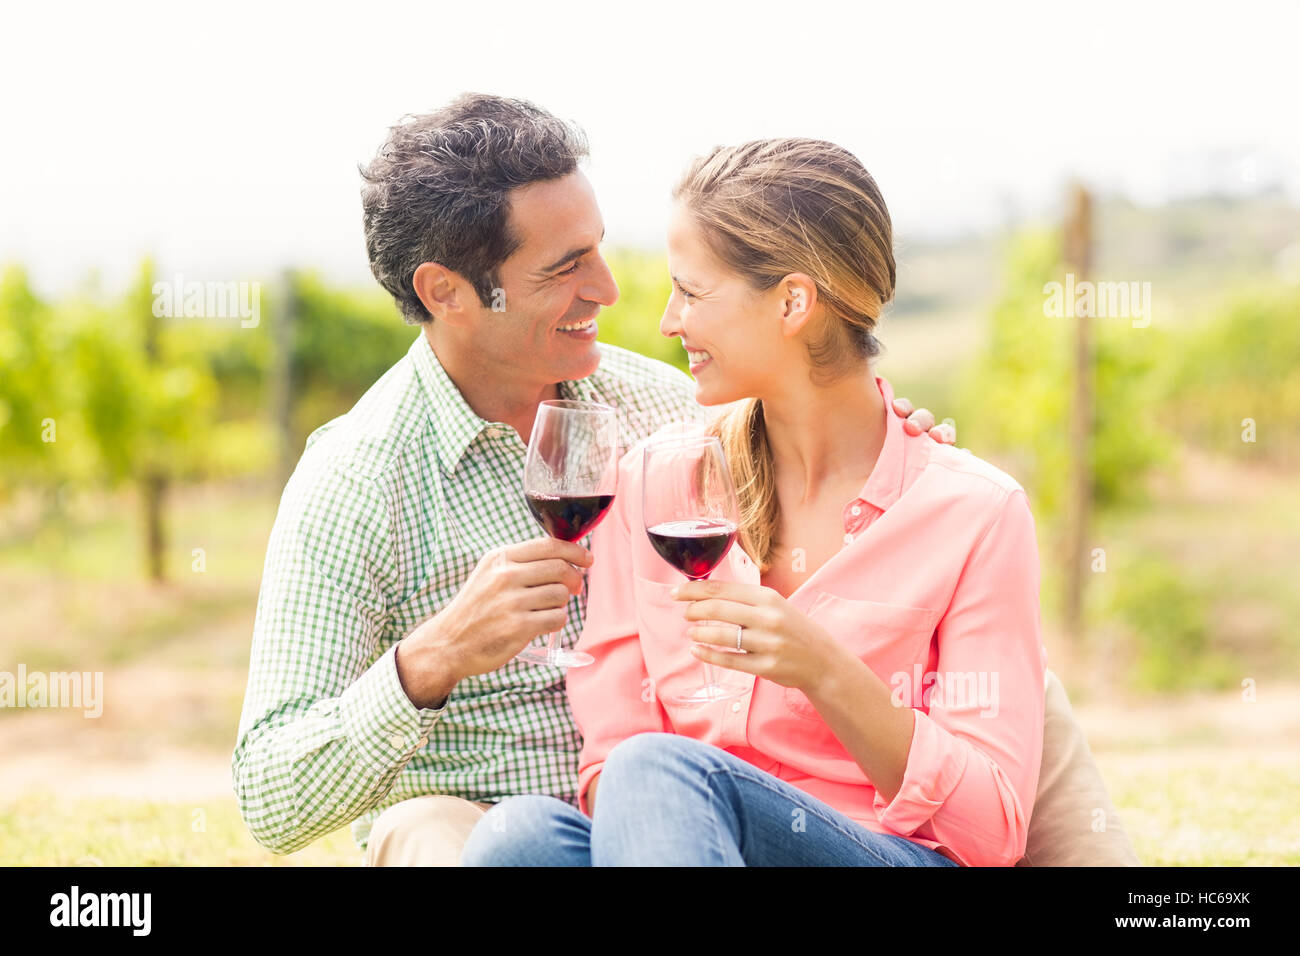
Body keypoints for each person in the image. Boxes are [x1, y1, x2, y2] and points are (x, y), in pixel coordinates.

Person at [229, 94, 952, 865]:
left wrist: (891, 446)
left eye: (598, 249)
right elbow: (272, 797)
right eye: (564, 267)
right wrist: (430, 660)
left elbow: (835, 502)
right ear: (447, 292)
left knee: (1005, 679)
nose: (607, 288)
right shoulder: (357, 481)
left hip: (681, 817)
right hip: (494, 830)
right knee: (458, 844)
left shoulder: (667, 410)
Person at [462, 138, 1060, 866]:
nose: (668, 322)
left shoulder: (975, 515)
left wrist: (823, 669)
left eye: (692, 291)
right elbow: (612, 744)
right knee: (517, 838)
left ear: (792, 302)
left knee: (656, 768)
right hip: (676, 841)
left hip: (877, 851)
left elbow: (991, 830)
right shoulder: (655, 483)